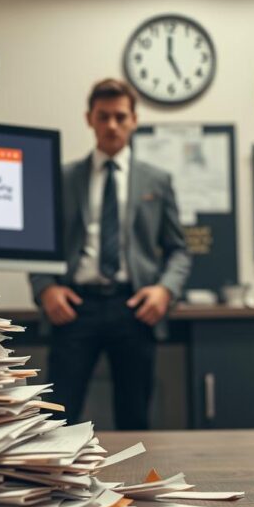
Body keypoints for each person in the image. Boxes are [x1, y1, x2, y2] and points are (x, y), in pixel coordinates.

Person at [29, 78, 191, 430]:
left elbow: (179, 250)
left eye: (120, 116)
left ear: (134, 119)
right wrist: (46, 288)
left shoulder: (157, 181)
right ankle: (54, 483)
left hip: (134, 308)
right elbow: (39, 245)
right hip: (73, 308)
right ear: (89, 119)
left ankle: (135, 485)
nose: (112, 126)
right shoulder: (63, 177)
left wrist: (165, 290)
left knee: (135, 415)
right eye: (103, 117)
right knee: (56, 416)